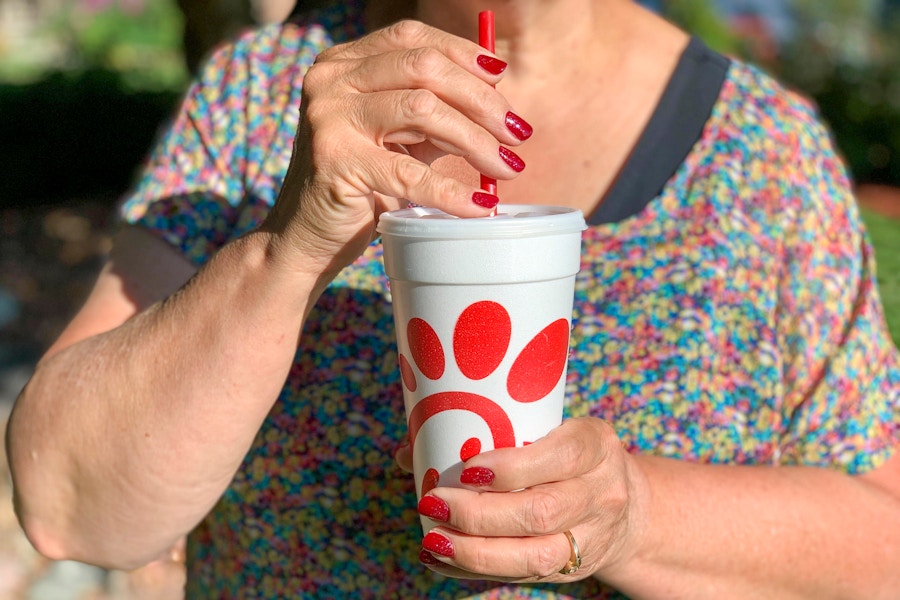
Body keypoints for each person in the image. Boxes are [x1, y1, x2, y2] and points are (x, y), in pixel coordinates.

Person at [7, 0, 900, 597]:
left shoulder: (763, 155)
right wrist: (287, 247)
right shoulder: (266, 92)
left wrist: (635, 513)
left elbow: (882, 539)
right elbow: (66, 500)